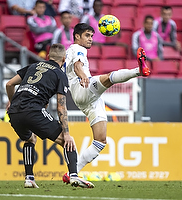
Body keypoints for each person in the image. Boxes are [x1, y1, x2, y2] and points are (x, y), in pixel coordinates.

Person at [62, 23, 150, 183]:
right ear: (77, 36)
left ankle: (71, 173)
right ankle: (138, 71)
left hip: (86, 100)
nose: (90, 39)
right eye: (87, 35)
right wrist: (82, 76)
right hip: (83, 87)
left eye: (91, 36)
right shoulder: (76, 48)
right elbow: (77, 66)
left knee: (100, 141)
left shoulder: (70, 50)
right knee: (109, 78)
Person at [6, 44, 94, 188]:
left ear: (48, 57)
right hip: (33, 110)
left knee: (29, 139)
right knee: (68, 142)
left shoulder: (33, 66)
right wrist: (66, 133)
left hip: (14, 112)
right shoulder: (60, 74)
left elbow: (9, 84)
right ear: (64, 59)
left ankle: (29, 178)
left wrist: (12, 101)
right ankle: (74, 176)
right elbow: (61, 106)